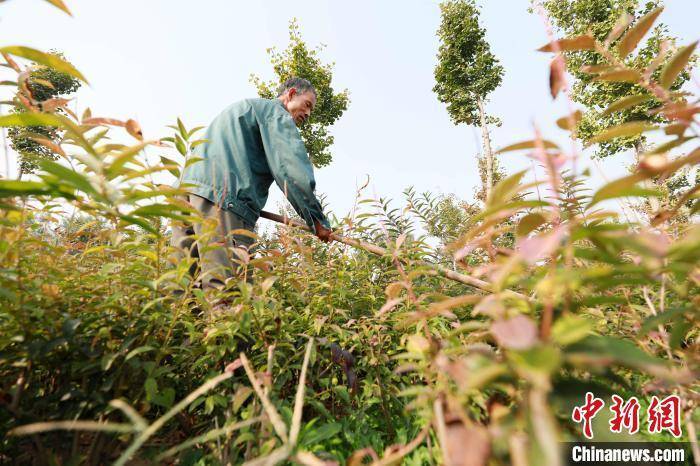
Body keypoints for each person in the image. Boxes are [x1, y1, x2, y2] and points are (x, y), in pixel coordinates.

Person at [171, 77, 332, 290]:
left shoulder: (245, 108)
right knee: (227, 287)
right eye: (307, 104)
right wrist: (316, 219)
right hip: (222, 199)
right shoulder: (275, 114)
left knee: (182, 285)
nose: (308, 114)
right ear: (291, 94)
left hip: (186, 194)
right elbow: (290, 169)